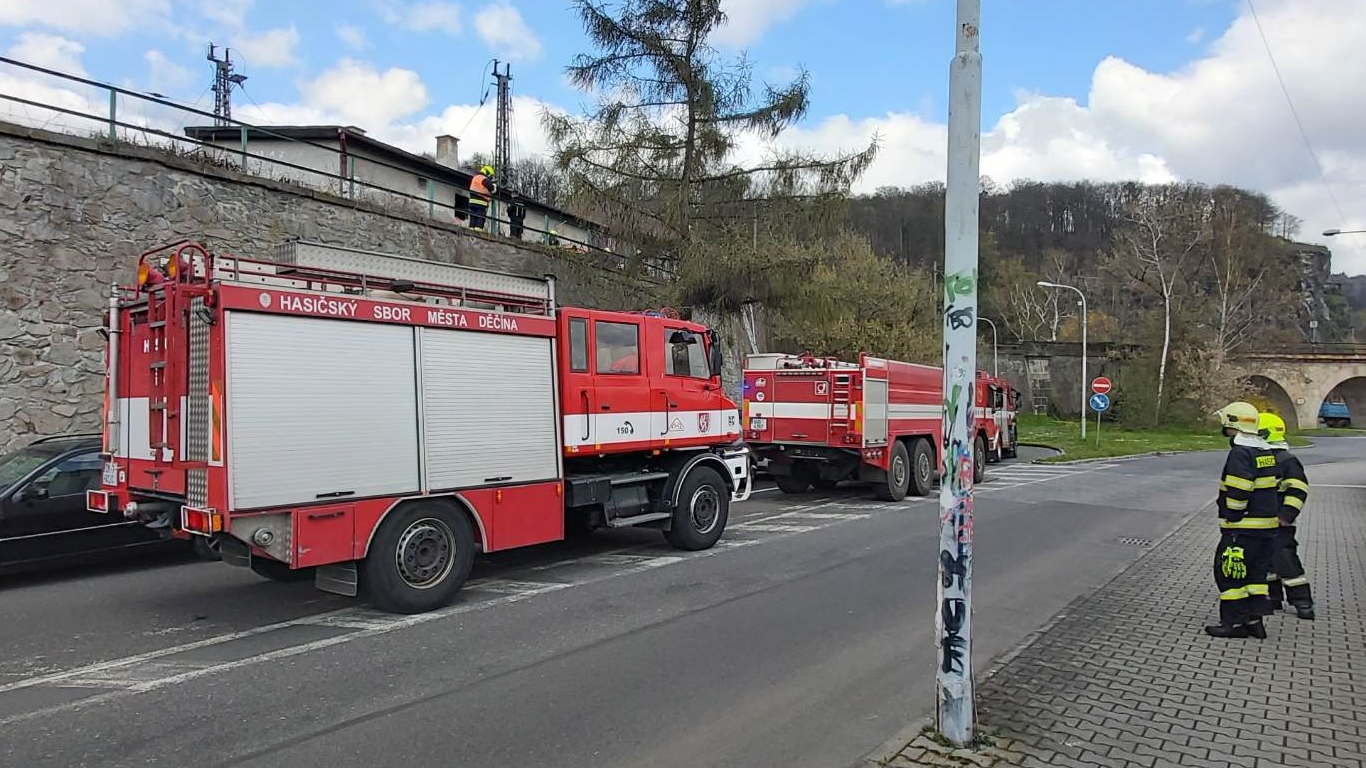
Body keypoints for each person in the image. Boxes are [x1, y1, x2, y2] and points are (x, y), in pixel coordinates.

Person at [1206, 401, 1281, 639]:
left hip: (1243, 528)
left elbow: (1239, 489)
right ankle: (1254, 621)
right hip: (1266, 528)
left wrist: (1233, 516)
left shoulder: (1240, 453)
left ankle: (1234, 624)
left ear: (1233, 424)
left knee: (1229, 574)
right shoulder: (1265, 451)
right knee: (1255, 576)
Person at [1259, 412, 1315, 620]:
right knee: (1266, 560)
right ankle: (1273, 598)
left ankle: (1302, 601)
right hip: (1263, 521)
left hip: (1281, 523)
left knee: (1285, 560)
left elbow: (1298, 489)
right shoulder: (1265, 458)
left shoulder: (1286, 461)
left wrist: (1287, 515)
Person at [468, 164, 496, 231]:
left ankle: (471, 231)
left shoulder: (475, 177)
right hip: (481, 202)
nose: (490, 177)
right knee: (480, 218)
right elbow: (492, 189)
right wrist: (494, 185)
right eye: (490, 176)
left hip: (472, 202)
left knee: (473, 218)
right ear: (487, 173)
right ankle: (478, 232)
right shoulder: (484, 179)